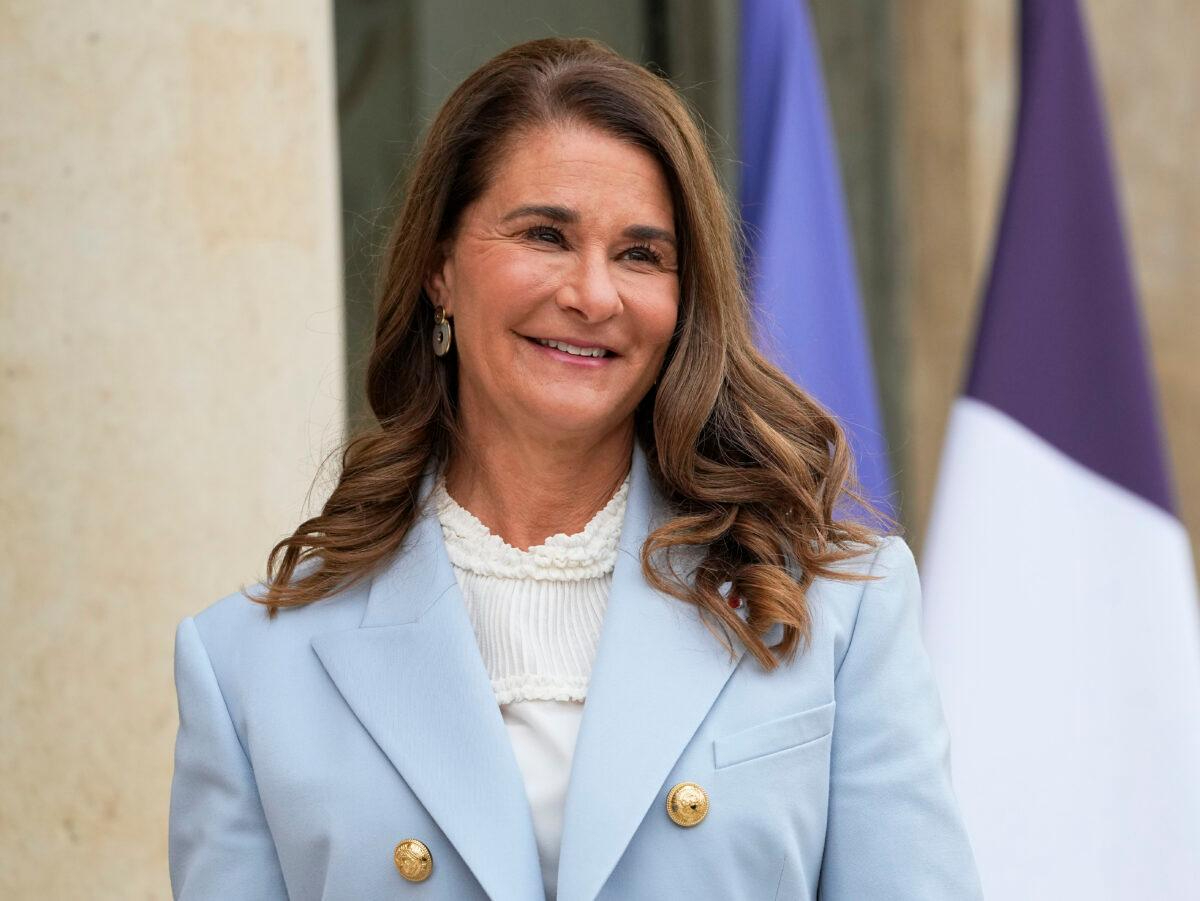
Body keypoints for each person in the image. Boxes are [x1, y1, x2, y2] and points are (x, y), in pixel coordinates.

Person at [168, 36, 983, 901]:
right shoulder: (248, 666)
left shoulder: (838, 608)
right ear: (441, 268)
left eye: (641, 254)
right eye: (545, 234)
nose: (594, 295)